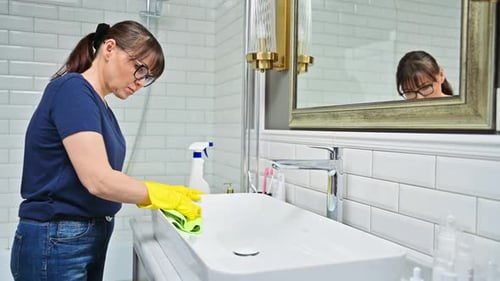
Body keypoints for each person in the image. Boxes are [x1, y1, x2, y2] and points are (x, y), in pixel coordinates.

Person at [10, 20, 203, 281]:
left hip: (79, 236)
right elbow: (98, 180)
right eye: (140, 69)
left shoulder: (99, 106)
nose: (140, 82)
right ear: (109, 48)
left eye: (147, 77)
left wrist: (163, 194)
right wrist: (161, 194)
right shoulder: (73, 90)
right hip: (56, 238)